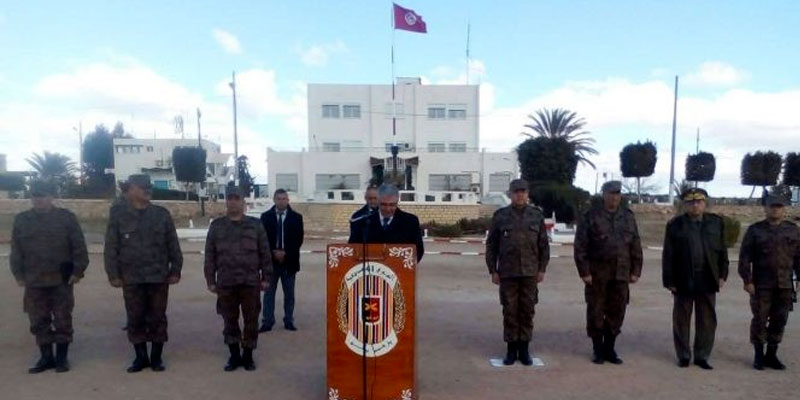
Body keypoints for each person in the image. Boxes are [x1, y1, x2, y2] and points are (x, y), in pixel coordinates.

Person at [104, 174, 183, 372]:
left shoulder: (161, 214)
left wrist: (176, 269)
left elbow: (173, 244)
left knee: (158, 317)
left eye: (148, 187)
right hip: (131, 277)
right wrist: (113, 274)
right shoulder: (118, 214)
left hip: (158, 276)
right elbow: (112, 246)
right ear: (129, 190)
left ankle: (156, 358)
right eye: (141, 187)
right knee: (135, 317)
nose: (147, 190)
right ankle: (140, 358)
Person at [10, 180, 89, 373]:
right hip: (34, 279)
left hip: (60, 279)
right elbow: (16, 250)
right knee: (38, 320)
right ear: (31, 198)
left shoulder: (66, 218)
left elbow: (78, 246)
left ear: (52, 197)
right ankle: (46, 357)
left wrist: (78, 271)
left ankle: (61, 358)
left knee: (62, 319)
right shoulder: (22, 220)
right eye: (36, 196)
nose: (39, 200)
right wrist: (18, 274)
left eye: (43, 195)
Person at [574, 180, 643, 364]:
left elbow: (635, 244)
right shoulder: (591, 216)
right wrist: (584, 272)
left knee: (617, 311)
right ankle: (598, 349)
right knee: (596, 311)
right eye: (611, 193)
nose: (614, 197)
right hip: (597, 274)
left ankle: (610, 348)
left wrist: (636, 270)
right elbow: (580, 246)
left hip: (621, 273)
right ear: (603, 194)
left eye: (617, 193)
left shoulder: (628, 217)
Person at [205, 187, 272, 371]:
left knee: (251, 321)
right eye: (230, 198)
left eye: (237, 198)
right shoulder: (217, 226)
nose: (233, 201)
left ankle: (248, 356)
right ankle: (234, 356)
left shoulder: (255, 225)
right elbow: (210, 255)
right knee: (229, 320)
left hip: (250, 282)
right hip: (226, 283)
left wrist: (266, 277)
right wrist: (210, 280)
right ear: (226, 201)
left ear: (243, 201)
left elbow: (264, 253)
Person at [485, 178, 549, 366]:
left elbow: (543, 245)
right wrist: (493, 270)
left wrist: (542, 269)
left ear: (527, 194)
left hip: (530, 272)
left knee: (527, 311)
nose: (520, 195)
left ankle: (524, 350)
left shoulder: (536, 215)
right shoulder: (501, 216)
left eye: (523, 191)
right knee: (510, 311)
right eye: (516, 192)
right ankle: (511, 350)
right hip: (508, 272)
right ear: (510, 194)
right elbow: (492, 245)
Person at [662, 188, 728, 369]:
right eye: (691, 202)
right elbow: (668, 255)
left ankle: (702, 355)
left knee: (707, 319)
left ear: (704, 203)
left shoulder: (716, 223)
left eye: (698, 202)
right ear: (685, 205)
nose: (695, 205)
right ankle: (683, 355)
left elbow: (722, 251)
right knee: (682, 318)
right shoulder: (675, 225)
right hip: (684, 277)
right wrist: (669, 281)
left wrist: (723, 274)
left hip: (707, 277)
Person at [738, 193, 800, 370]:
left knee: (780, 319)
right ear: (765, 208)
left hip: (785, 284)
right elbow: (745, 257)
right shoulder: (755, 230)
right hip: (761, 284)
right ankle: (758, 355)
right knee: (759, 318)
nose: (775, 209)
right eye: (772, 206)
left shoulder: (793, 230)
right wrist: (747, 280)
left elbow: (798, 257)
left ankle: (772, 355)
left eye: (779, 206)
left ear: (784, 209)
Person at [260, 189, 304, 332]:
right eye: (278, 198)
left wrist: (285, 253)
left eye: (284, 198)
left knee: (289, 294)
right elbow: (262, 239)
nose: (281, 201)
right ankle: (267, 321)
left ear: (288, 200)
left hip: (289, 262)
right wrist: (273, 252)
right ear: (274, 199)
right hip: (270, 263)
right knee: (268, 294)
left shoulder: (297, 218)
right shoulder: (265, 217)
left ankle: (289, 320)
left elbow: (298, 240)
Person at [348, 183, 424, 262]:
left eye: (392, 205)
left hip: (400, 271)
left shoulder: (410, 222)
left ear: (398, 201)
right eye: (383, 205)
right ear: (378, 201)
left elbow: (418, 251)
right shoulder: (362, 223)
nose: (388, 209)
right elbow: (351, 250)